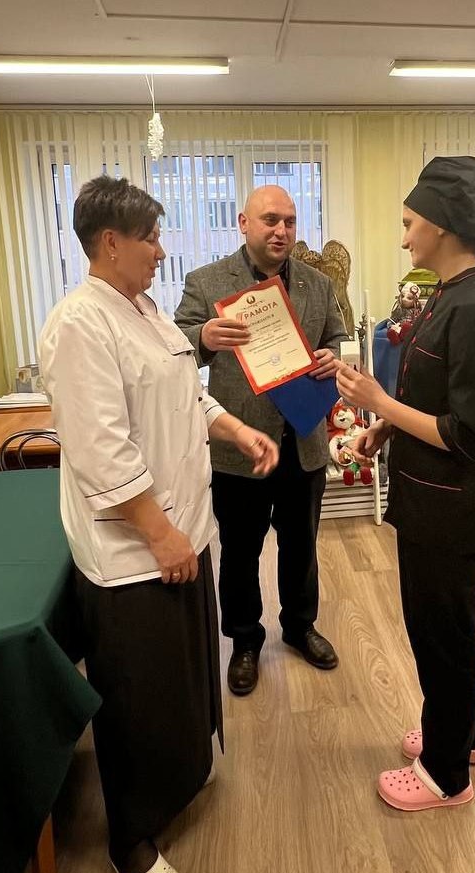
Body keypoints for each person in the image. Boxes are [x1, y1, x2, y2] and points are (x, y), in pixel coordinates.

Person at [39, 175, 278, 873]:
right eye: (150, 238)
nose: (161, 251)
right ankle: (131, 843)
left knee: (183, 677)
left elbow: (186, 394)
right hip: (137, 552)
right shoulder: (80, 325)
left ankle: (181, 777)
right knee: (138, 696)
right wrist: (159, 532)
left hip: (184, 534)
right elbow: (101, 452)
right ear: (110, 243)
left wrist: (235, 427)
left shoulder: (143, 311)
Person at [337, 156, 475, 812]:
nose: (404, 236)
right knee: (442, 631)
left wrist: (379, 404)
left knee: (443, 637)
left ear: (441, 224)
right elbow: (428, 396)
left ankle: (446, 774)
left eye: (410, 223)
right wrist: (383, 430)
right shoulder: (445, 297)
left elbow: (467, 433)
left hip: (450, 513)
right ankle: (464, 734)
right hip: (427, 503)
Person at [174, 185, 347, 696]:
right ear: (243, 223)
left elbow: (335, 338)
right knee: (240, 550)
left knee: (301, 546)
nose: (281, 231)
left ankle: (299, 627)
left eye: (290, 221)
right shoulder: (207, 282)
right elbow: (176, 349)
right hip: (239, 446)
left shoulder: (318, 284)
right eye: (270, 220)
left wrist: (332, 356)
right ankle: (245, 640)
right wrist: (204, 337)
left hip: (303, 441)